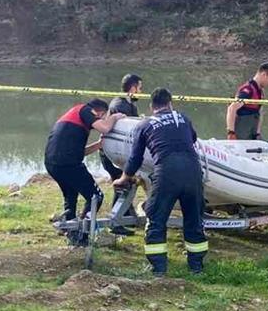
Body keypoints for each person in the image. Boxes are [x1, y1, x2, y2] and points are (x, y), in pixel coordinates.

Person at [115, 88, 206, 276]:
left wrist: (124, 178)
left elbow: (135, 158)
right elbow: (193, 139)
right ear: (170, 103)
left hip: (167, 174)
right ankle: (196, 267)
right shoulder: (183, 118)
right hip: (193, 171)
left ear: (151, 106)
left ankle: (159, 269)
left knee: (156, 219)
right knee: (194, 219)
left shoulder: (144, 125)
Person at [45, 99, 123, 244]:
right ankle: (83, 232)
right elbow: (105, 128)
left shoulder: (74, 119)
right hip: (68, 164)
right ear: (99, 112)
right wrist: (114, 117)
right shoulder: (84, 110)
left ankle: (72, 231)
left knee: (70, 195)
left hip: (53, 163)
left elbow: (80, 152)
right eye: (102, 116)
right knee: (96, 197)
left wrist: (99, 145)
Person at [99, 73, 142, 236]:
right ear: (133, 88)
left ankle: (126, 215)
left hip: (120, 151)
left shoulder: (128, 104)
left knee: (128, 183)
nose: (140, 91)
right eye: (140, 88)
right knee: (123, 183)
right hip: (111, 152)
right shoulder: (120, 104)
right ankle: (116, 223)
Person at [225, 62, 268, 141]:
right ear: (263, 75)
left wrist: (258, 133)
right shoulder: (248, 90)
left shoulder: (261, 91)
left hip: (252, 133)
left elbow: (260, 113)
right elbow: (232, 109)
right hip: (241, 133)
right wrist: (231, 132)